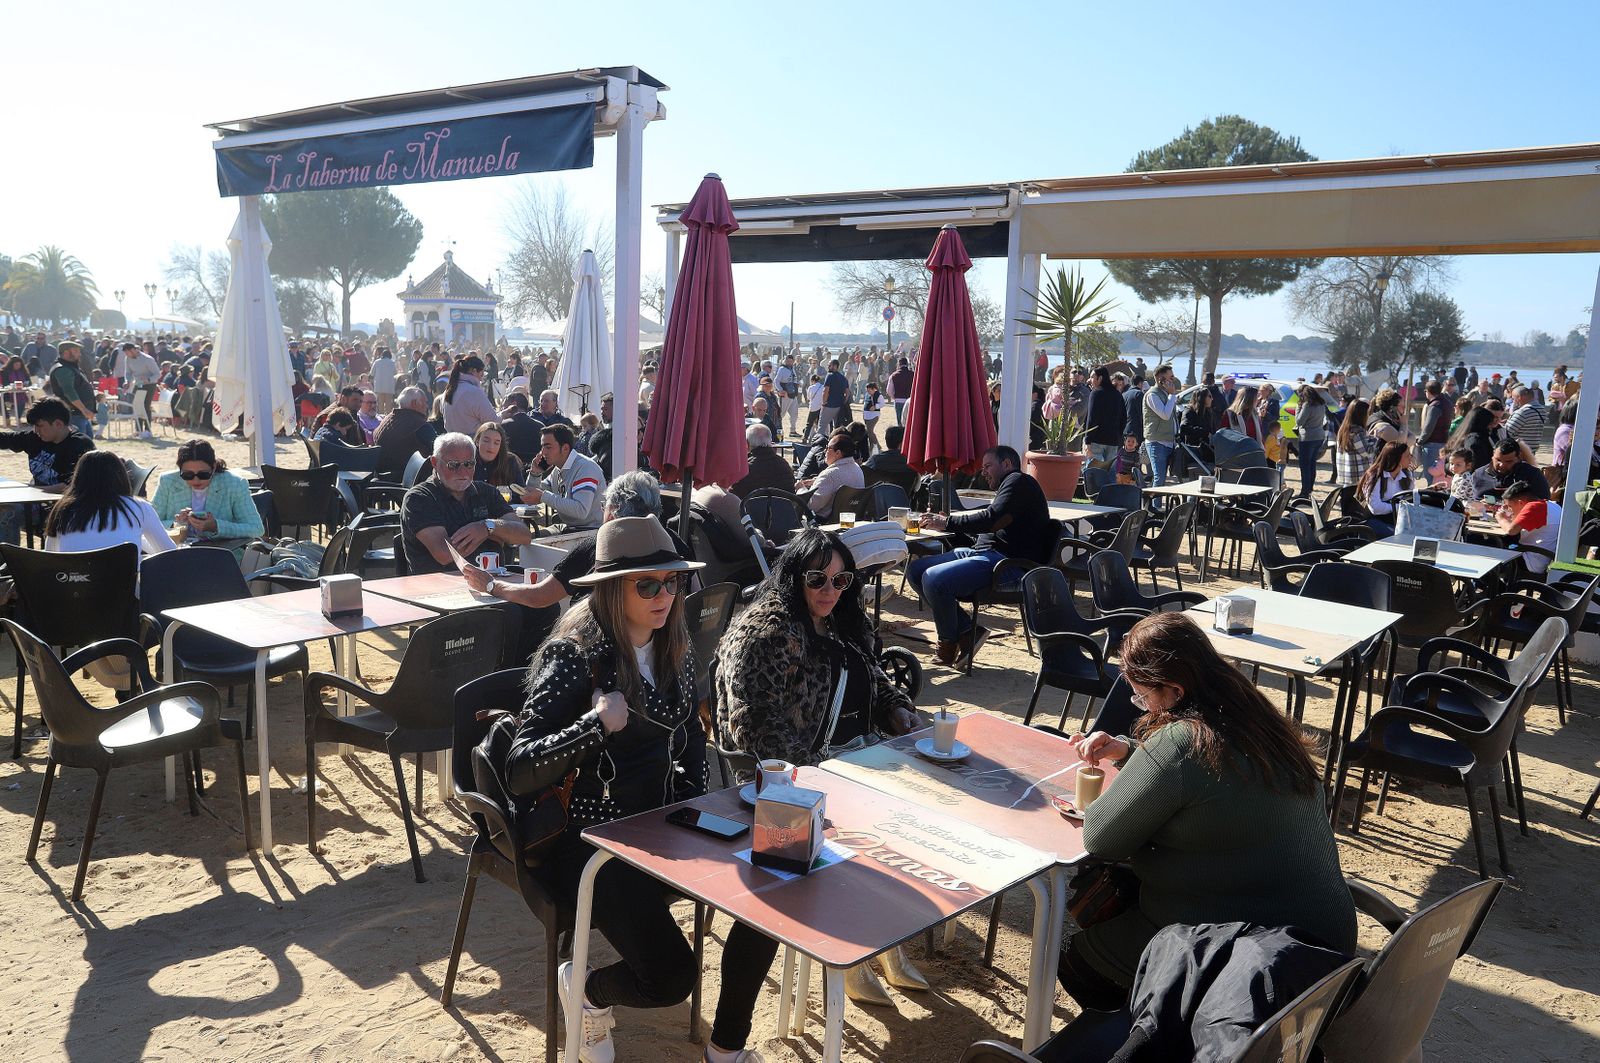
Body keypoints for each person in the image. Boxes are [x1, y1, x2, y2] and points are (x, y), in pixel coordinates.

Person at [501, 516, 777, 1063]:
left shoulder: (674, 644)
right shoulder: (573, 655)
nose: (664, 595)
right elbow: (519, 768)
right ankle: (585, 991)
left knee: (770, 886)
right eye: (646, 584)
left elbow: (691, 743)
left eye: (671, 582)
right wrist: (594, 726)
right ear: (611, 589)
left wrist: (699, 809)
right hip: (587, 843)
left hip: (661, 827)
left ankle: (727, 1048)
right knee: (672, 977)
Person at [1060, 612, 1355, 1011]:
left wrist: (1140, 764)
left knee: (1079, 961)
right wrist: (1131, 753)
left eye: (1142, 696)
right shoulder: (1254, 714)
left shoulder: (1182, 741)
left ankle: (1161, 1033)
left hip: (1260, 957)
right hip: (1326, 939)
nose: (1142, 706)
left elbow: (1101, 837)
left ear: (1174, 690)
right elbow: (1218, 785)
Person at [716, 527, 925, 1006]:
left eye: (840, 580)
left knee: (916, 809)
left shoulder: (842, 621)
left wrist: (897, 709)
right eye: (818, 579)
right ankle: (852, 950)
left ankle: (884, 937)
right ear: (794, 577)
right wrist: (823, 775)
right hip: (791, 777)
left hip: (856, 754)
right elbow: (758, 726)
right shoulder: (768, 634)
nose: (830, 591)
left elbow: (872, 676)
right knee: (876, 819)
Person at [910, 446, 1053, 666]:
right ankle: (967, 630)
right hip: (985, 553)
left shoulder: (1018, 482)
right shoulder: (1011, 485)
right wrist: (951, 523)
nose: (982, 472)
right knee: (915, 570)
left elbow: (992, 519)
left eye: (988, 466)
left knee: (933, 578)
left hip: (1008, 565)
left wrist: (948, 523)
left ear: (1006, 464)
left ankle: (948, 643)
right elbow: (991, 522)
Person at [400, 432, 533, 575]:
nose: (463, 472)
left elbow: (524, 535)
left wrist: (487, 527)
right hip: (440, 587)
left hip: (492, 582)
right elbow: (445, 554)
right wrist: (496, 532)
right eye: (453, 465)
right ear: (434, 463)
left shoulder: (486, 492)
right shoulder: (420, 498)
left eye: (469, 464)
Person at [0, 397, 95, 545]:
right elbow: (5, 439)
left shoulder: (79, 445)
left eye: (40, 426)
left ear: (58, 424)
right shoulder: (35, 438)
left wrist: (31, 491)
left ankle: (7, 565)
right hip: (35, 501)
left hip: (63, 509)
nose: (36, 431)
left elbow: (69, 487)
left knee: (8, 513)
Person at [43, 450, 175, 556]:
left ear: (78, 478)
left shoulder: (62, 509)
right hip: (125, 588)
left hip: (73, 586)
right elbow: (169, 552)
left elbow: (50, 556)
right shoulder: (140, 508)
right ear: (121, 476)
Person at [151, 438, 265, 553]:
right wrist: (176, 524)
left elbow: (256, 528)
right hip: (176, 555)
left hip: (221, 556)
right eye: (188, 475)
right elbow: (149, 523)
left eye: (203, 474)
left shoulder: (234, 484)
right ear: (180, 470)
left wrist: (216, 526)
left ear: (214, 467)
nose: (196, 479)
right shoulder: (168, 481)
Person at [519, 423, 606, 530]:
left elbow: (581, 510)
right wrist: (535, 474)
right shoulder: (558, 469)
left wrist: (543, 496)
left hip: (589, 532)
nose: (543, 452)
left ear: (565, 448)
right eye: (542, 447)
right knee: (527, 539)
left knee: (531, 541)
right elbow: (531, 496)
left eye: (548, 447)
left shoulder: (585, 468)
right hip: (569, 528)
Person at [1492, 480, 1561, 575]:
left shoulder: (1533, 507)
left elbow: (1511, 531)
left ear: (1521, 503)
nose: (1509, 510)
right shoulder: (1551, 505)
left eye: (1510, 506)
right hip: (1542, 556)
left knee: (1488, 550)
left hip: (1531, 560)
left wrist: (1501, 518)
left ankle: (1492, 587)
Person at [372, 386, 438, 478]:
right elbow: (439, 448)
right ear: (414, 403)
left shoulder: (387, 419)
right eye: (425, 402)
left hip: (382, 476)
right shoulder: (418, 424)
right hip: (408, 478)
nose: (427, 406)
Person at [797, 430, 863, 517]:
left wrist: (800, 489)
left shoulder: (830, 475)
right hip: (850, 519)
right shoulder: (857, 469)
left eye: (828, 448)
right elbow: (838, 481)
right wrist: (817, 481)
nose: (825, 451)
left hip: (825, 523)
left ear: (838, 453)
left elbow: (811, 506)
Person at [1355, 441, 1416, 532]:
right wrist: (1399, 507)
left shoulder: (1406, 474)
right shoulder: (1375, 476)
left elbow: (1410, 497)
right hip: (1374, 520)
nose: (1411, 457)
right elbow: (1375, 508)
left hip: (1396, 518)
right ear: (1396, 459)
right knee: (1398, 536)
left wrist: (1430, 489)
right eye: (1407, 455)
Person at [1471, 438, 1549, 502]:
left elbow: (1543, 502)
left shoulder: (1532, 475)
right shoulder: (1479, 475)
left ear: (1518, 458)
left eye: (1508, 461)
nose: (1501, 465)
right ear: (1493, 455)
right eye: (1498, 460)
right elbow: (1473, 502)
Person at [47, 340, 97, 439]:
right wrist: (84, 410)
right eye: (76, 351)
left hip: (80, 415)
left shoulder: (71, 367)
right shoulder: (62, 369)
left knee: (87, 446)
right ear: (66, 352)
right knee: (78, 447)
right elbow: (69, 392)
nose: (79, 354)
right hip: (73, 415)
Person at [731, 423, 796, 499]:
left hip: (753, 510)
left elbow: (735, 496)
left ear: (747, 444)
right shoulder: (784, 464)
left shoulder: (746, 470)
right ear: (770, 441)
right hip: (784, 509)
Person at [1141, 363, 1179, 488]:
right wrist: (1172, 395)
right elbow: (1165, 415)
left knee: (1163, 478)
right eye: (1170, 377)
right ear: (1160, 378)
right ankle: (1153, 506)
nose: (1173, 380)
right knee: (1159, 477)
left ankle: (1155, 505)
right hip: (1156, 442)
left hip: (1169, 441)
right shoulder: (1152, 395)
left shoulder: (1165, 394)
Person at [441, 355, 498, 436]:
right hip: (471, 442)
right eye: (481, 375)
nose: (481, 379)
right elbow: (492, 420)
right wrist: (503, 415)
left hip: (451, 438)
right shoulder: (473, 392)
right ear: (474, 371)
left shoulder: (449, 389)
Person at [1292, 384, 1329, 498]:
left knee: (1305, 465)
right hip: (1319, 435)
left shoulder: (1307, 405)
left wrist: (1298, 408)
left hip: (1307, 437)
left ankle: (1304, 492)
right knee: (1312, 463)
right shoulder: (1321, 404)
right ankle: (1310, 488)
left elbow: (1299, 421)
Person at [1083, 366, 1124, 466]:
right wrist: (1118, 435)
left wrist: (1087, 440)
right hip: (1113, 441)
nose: (1090, 380)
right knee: (1109, 472)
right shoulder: (1117, 394)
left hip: (1096, 440)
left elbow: (1092, 418)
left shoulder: (1096, 393)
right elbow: (1123, 418)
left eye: (1092, 377)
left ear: (1100, 378)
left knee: (1094, 472)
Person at [1334, 398, 1377, 488]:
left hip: (1346, 478)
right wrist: (1376, 438)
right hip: (1358, 479)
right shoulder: (1357, 431)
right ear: (1361, 415)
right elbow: (1367, 452)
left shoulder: (1343, 429)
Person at [472, 421, 524, 487]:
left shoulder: (510, 461)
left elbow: (520, 492)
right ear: (477, 441)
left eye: (496, 443)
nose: (491, 447)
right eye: (486, 441)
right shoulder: (466, 460)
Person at [1417, 380, 1451, 477]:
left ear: (1428, 391)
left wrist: (1420, 441)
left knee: (1430, 476)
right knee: (1442, 476)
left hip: (1432, 444)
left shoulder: (1434, 406)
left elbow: (1428, 428)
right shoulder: (1447, 403)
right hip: (1445, 442)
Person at [1503, 386, 1548, 460]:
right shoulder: (1541, 409)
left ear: (1520, 397)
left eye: (1514, 398)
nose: (1513, 401)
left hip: (1519, 451)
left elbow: (1507, 431)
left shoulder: (1523, 411)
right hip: (1532, 449)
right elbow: (1528, 425)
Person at [818, 358, 850, 437]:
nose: (828, 367)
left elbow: (826, 390)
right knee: (837, 428)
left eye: (830, 365)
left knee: (822, 426)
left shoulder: (829, 376)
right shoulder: (843, 377)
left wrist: (824, 402)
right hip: (839, 405)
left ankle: (819, 443)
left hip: (829, 405)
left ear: (835, 366)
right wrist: (844, 402)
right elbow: (847, 392)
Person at [887, 357, 913, 424]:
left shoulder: (893, 375)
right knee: (910, 421)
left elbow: (889, 390)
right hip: (911, 400)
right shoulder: (913, 374)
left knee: (900, 422)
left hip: (898, 400)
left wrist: (894, 397)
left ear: (898, 364)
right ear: (907, 364)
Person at [371, 346, 397, 413]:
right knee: (388, 405)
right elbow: (395, 372)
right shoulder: (392, 362)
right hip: (389, 387)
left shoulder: (377, 362)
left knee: (380, 405)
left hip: (379, 387)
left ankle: (381, 419)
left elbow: (372, 373)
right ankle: (388, 419)